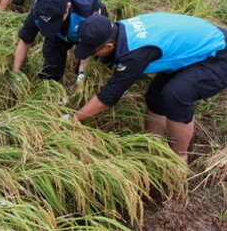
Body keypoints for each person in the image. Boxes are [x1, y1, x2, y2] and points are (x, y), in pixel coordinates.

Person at [71, 13, 227, 161]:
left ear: (109, 46)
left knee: (176, 94)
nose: (94, 55)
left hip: (218, 52)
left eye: (94, 52)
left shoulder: (135, 53)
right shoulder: (120, 29)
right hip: (194, 48)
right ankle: (153, 145)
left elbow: (108, 97)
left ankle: (179, 158)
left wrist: (73, 119)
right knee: (155, 96)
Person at [12, 0, 107, 81]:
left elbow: (90, 46)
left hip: (84, 25)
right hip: (60, 35)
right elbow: (25, 39)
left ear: (68, 7)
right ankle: (50, 84)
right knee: (52, 65)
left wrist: (81, 76)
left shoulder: (90, 12)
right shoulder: (39, 8)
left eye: (54, 22)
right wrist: (16, 71)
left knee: (85, 68)